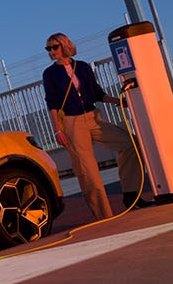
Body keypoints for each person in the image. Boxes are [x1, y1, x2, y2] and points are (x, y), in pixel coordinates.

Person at [42, 32, 149, 219]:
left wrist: (118, 101)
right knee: (88, 171)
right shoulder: (49, 74)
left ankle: (131, 196)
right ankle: (104, 215)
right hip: (71, 123)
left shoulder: (82, 67)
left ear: (65, 46)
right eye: (48, 49)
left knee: (130, 143)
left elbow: (97, 93)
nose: (51, 52)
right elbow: (52, 103)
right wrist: (57, 129)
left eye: (54, 47)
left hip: (93, 117)